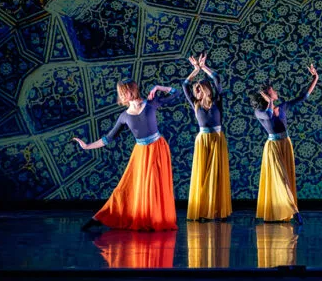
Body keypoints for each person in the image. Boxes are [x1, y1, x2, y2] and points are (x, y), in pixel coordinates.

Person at [73, 80, 180, 231]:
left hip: (158, 148)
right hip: (141, 152)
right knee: (127, 186)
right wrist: (87, 146)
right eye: (120, 93)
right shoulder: (124, 116)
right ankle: (101, 216)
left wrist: (157, 87)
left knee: (154, 185)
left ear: (133, 90)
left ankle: (155, 219)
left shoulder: (150, 104)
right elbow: (108, 138)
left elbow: (177, 93)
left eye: (124, 92)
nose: (122, 96)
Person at [249, 64, 319, 223]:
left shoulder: (282, 106)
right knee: (280, 178)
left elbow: (303, 97)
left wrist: (315, 78)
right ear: (267, 94)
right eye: (272, 90)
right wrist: (269, 102)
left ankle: (287, 208)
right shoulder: (259, 112)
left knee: (287, 177)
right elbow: (268, 115)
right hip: (273, 147)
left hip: (285, 144)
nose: (276, 91)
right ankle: (294, 211)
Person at [183, 52, 232, 221]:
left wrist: (204, 67)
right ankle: (203, 209)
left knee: (216, 175)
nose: (197, 92)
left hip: (217, 139)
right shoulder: (195, 104)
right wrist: (195, 70)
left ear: (205, 90)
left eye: (199, 89)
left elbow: (217, 78)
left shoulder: (217, 100)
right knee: (203, 175)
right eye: (196, 90)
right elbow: (184, 85)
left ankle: (216, 209)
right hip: (203, 141)